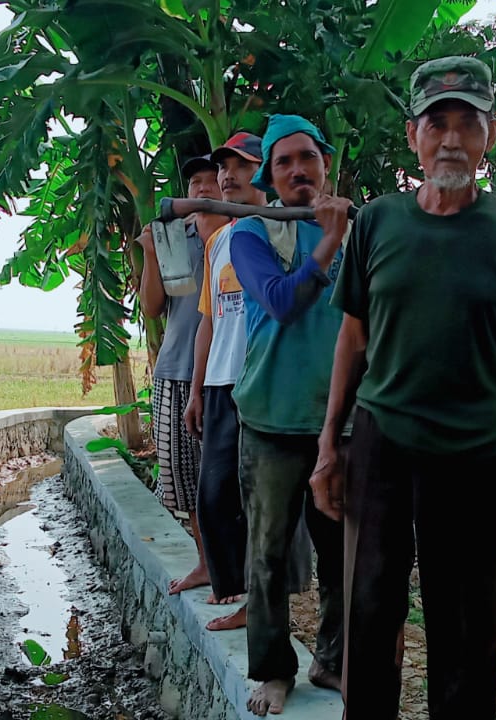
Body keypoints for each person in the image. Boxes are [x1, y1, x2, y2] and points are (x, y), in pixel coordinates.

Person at [311, 56, 496, 719]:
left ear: (491, 135)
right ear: (413, 134)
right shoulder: (377, 224)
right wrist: (329, 446)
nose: (452, 139)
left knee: (470, 626)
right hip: (381, 446)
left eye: (467, 124)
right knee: (371, 609)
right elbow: (352, 340)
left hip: (474, 455)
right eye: (437, 123)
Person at [230, 114, 350, 715]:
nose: (298, 170)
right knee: (268, 550)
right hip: (272, 420)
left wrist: (337, 236)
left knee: (342, 553)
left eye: (307, 157)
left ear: (325, 163)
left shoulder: (357, 234)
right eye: (284, 163)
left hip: (342, 422)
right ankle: (274, 669)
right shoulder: (251, 232)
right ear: (271, 176)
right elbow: (279, 303)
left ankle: (332, 661)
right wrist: (324, 244)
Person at [184, 131, 268, 631]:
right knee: (214, 493)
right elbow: (211, 321)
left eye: (241, 165)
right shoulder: (220, 242)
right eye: (224, 167)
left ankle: (254, 599)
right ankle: (233, 586)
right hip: (220, 383)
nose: (228, 175)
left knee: (257, 497)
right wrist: (197, 389)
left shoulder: (281, 232)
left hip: (259, 381)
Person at [136, 155, 224, 595]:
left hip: (224, 374)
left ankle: (230, 569)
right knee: (186, 480)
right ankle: (207, 563)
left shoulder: (239, 235)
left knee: (224, 478)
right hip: (176, 369)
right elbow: (154, 306)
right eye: (195, 182)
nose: (204, 189)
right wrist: (151, 253)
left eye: (212, 181)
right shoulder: (175, 237)